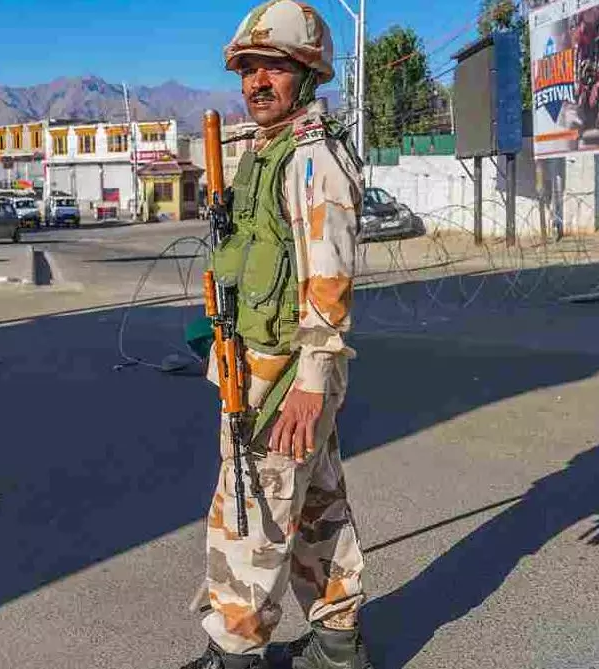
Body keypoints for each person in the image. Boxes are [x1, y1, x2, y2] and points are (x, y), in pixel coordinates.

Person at [180, 2, 372, 668]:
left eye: (274, 68)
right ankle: (338, 643)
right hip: (261, 362)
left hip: (289, 375)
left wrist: (310, 385)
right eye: (248, 69)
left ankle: (235, 652)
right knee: (316, 504)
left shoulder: (311, 158)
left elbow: (330, 279)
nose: (256, 81)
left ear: (308, 73)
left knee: (250, 512)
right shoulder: (266, 151)